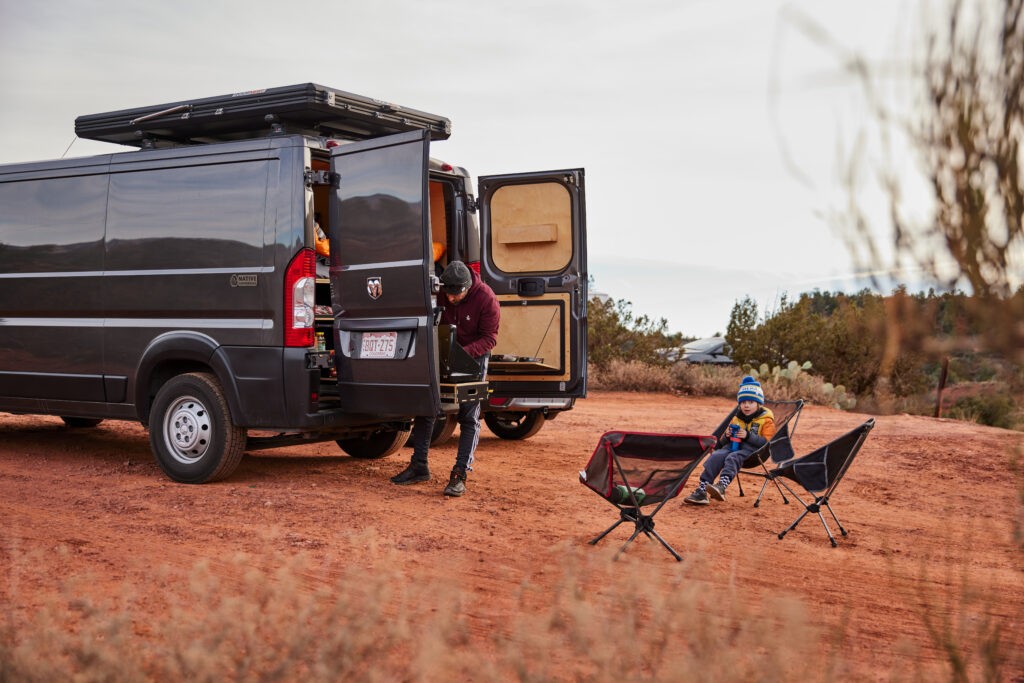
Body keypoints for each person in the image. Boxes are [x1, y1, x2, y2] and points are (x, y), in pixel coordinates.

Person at [390, 260, 500, 497]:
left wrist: (462, 354)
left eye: (456, 294)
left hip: (474, 357)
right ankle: (419, 465)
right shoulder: (443, 293)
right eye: (447, 293)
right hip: (444, 353)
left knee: (469, 415)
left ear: (468, 287)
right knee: (427, 404)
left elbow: (490, 338)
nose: (450, 299)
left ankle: (460, 474)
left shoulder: (487, 298)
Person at [684, 376, 776, 505]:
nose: (746, 405)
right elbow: (722, 442)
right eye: (743, 402)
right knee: (716, 456)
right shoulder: (736, 418)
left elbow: (767, 442)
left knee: (732, 457)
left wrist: (748, 436)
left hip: (753, 452)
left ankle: (722, 486)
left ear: (758, 403)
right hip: (733, 446)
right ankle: (702, 491)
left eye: (751, 402)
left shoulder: (766, 420)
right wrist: (727, 436)